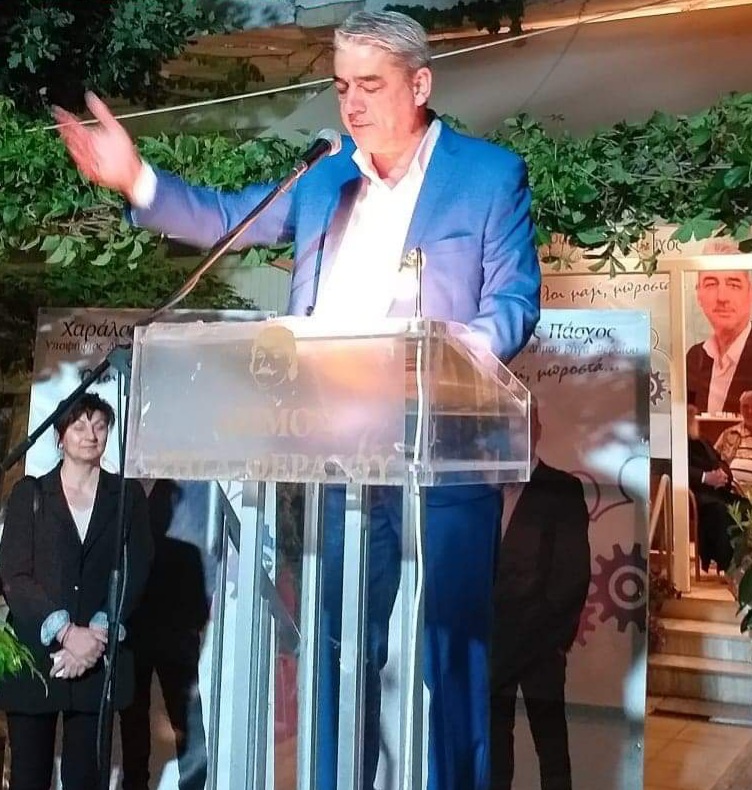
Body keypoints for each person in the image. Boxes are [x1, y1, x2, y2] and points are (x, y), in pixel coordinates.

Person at [53, 11, 541, 790]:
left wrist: (445, 356)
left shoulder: (487, 175)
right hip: (331, 458)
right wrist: (137, 178)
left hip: (440, 451)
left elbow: (513, 303)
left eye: (370, 85)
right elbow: (230, 218)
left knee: (451, 656)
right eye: (342, 86)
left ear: (420, 84)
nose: (352, 103)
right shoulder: (322, 174)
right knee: (336, 652)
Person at [0, 393, 153, 789]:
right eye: (80, 426)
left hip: (97, 661)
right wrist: (66, 633)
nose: (90, 435)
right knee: (28, 777)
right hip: (36, 659)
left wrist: (96, 635)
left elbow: (136, 568)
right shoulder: (30, 494)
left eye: (99, 426)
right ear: (60, 435)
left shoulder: (127, 498)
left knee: (86, 779)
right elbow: (15, 575)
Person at [490, 400, 590, 790]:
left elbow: (572, 576)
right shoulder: (482, 488)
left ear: (538, 431)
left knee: (552, 754)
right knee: (495, 752)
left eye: (524, 424)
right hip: (492, 643)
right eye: (509, 425)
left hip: (540, 646)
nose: (515, 433)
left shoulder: (562, 488)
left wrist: (552, 640)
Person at [120, 480, 213, 790]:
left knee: (139, 723)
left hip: (145, 640)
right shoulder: (185, 551)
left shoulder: (133, 550)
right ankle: (188, 782)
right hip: (168, 642)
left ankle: (138, 783)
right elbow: (200, 609)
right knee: (181, 722)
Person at [688, 403, 748, 572]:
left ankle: (744, 562)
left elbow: (721, 460)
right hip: (698, 493)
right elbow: (680, 469)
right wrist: (706, 477)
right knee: (720, 511)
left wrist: (724, 475)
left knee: (744, 506)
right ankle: (727, 564)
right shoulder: (677, 443)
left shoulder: (702, 440)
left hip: (719, 490)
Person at [686, 270, 752, 415]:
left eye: (734, 285)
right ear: (698, 294)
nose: (722, 297)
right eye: (711, 284)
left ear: (750, 293)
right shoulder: (694, 357)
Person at [715, 392, 752, 486]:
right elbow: (713, 460)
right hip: (731, 489)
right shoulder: (729, 433)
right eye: (745, 406)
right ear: (740, 409)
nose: (750, 411)